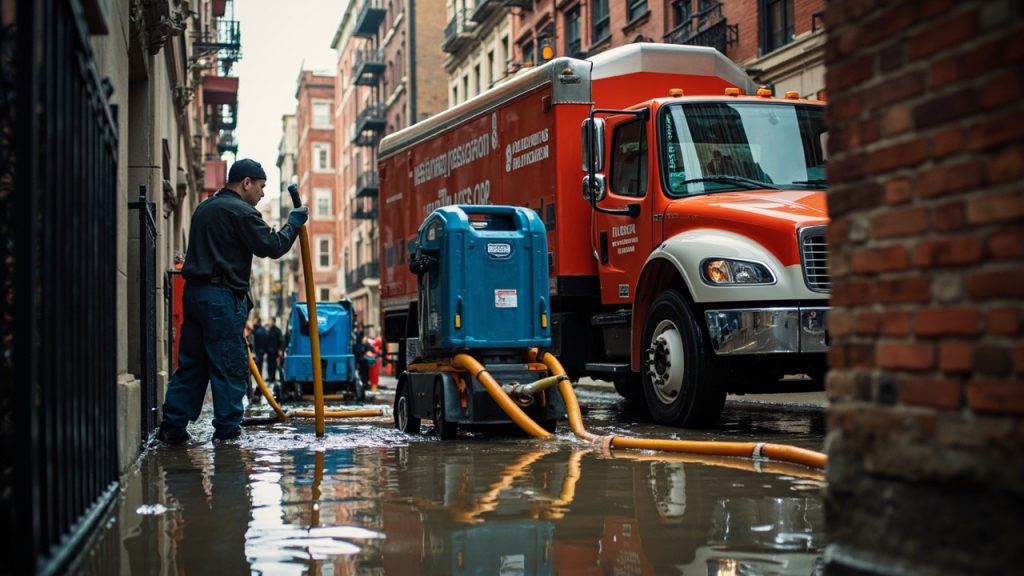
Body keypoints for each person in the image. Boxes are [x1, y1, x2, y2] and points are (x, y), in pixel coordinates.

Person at [156, 158, 309, 444]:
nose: (262, 194)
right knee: (228, 363)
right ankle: (227, 430)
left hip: (195, 294)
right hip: (221, 298)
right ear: (246, 183)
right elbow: (272, 246)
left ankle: (173, 425)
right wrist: (293, 224)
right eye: (261, 187)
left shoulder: (204, 209)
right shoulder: (241, 212)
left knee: (193, 363)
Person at [265, 316, 285, 383]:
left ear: (273, 321)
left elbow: (281, 341)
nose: (268, 322)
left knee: (274, 365)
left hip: (275, 351)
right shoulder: (268, 330)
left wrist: (280, 350)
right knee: (269, 365)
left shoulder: (277, 331)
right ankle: (270, 377)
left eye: (270, 321)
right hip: (269, 351)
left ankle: (272, 378)